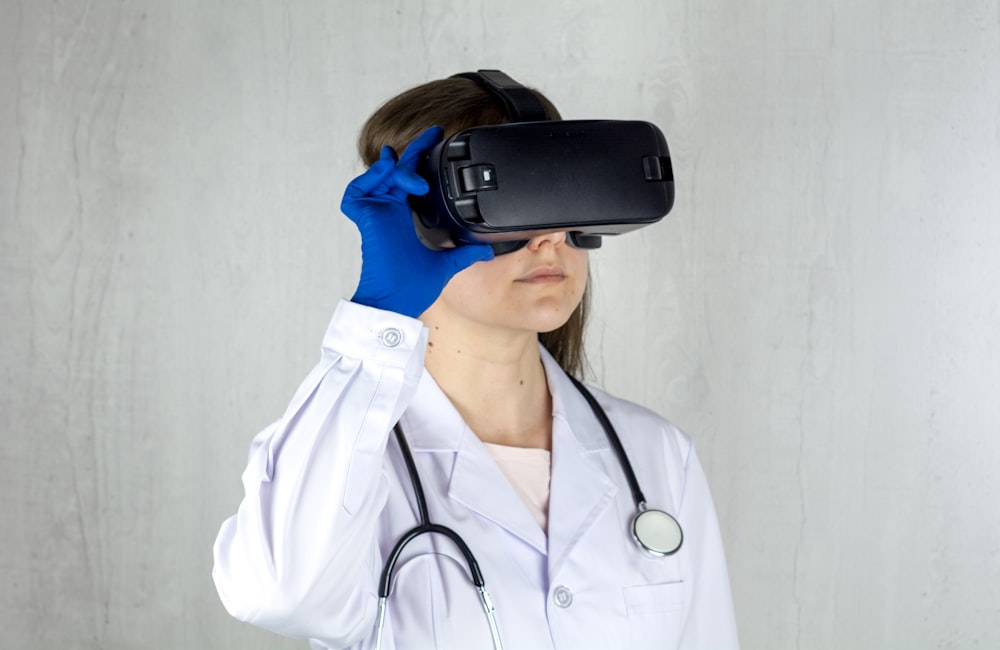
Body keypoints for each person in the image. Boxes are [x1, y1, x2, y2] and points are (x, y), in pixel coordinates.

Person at [212, 72, 739, 650]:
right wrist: (375, 320)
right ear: (418, 224)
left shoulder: (657, 455)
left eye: (559, 189)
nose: (550, 236)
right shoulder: (346, 457)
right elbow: (276, 592)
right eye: (507, 198)